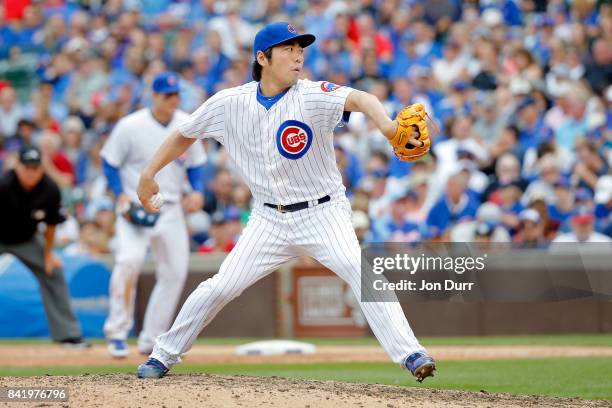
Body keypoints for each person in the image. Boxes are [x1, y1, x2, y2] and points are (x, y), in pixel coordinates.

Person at [135, 22, 436, 382]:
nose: (297, 56)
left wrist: (387, 126)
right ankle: (162, 354)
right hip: (267, 220)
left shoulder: (312, 95)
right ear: (263, 58)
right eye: (288, 49)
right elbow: (184, 135)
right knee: (221, 286)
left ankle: (411, 354)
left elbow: (360, 98)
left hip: (323, 213)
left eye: (300, 49)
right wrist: (148, 172)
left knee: (362, 272)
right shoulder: (229, 103)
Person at [100, 72, 207, 358]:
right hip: (135, 206)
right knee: (129, 261)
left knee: (174, 272)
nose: (172, 99)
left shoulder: (187, 122)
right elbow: (109, 163)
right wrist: (119, 193)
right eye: (166, 95)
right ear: (154, 95)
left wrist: (196, 190)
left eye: (175, 95)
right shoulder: (130, 125)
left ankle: (151, 339)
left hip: (171, 207)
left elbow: (196, 165)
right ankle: (118, 332)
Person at [0, 147, 88, 347]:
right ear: (18, 167)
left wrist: (48, 254)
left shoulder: (49, 188)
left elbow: (51, 224)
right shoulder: (4, 184)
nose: (31, 172)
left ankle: (68, 335)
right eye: (27, 167)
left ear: (41, 169)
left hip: (26, 239)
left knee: (54, 271)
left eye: (35, 167)